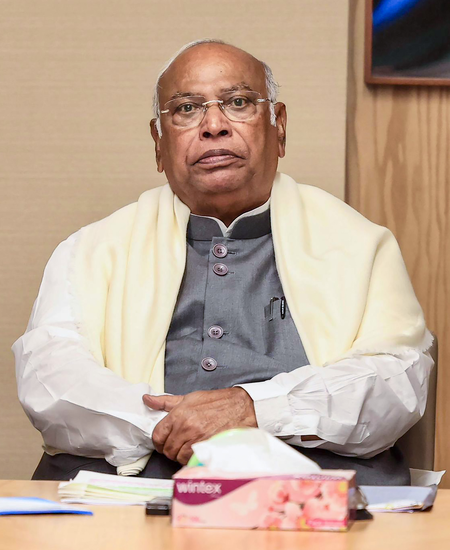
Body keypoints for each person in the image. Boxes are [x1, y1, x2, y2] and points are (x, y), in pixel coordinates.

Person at [13, 39, 434, 484]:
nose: (213, 126)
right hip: (133, 489)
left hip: (309, 490)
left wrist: (254, 409)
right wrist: (166, 424)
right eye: (186, 109)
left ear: (279, 126)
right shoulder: (91, 249)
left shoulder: (359, 245)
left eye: (238, 103)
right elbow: (51, 377)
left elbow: (398, 378)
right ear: (158, 143)